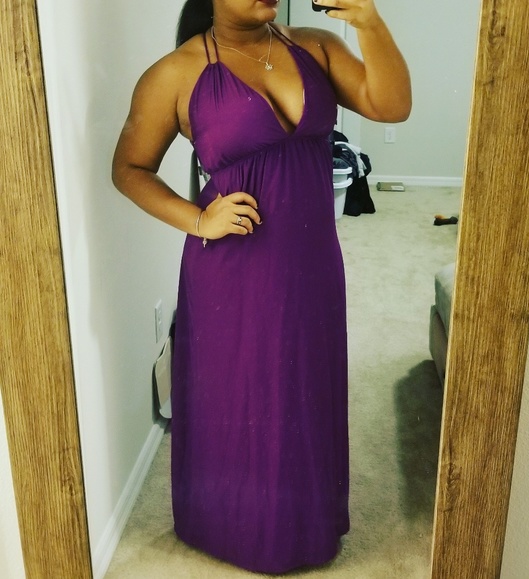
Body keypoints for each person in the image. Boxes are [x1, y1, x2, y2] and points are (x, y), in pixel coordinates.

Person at [112, 0, 410, 573]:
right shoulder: (176, 73)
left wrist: (369, 22)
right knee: (240, 393)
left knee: (305, 384)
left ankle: (303, 525)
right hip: (234, 266)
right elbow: (129, 168)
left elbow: (391, 106)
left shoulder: (316, 46)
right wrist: (199, 220)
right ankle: (232, 528)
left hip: (312, 258)